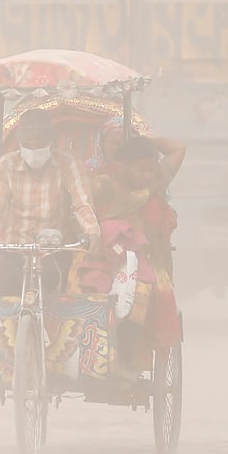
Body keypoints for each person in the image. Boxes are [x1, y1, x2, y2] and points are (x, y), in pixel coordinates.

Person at [82, 136, 184, 365]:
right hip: (103, 255)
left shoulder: (154, 185)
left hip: (143, 260)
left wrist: (141, 137)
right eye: (141, 169)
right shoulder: (102, 185)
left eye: (151, 169)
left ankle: (128, 357)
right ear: (124, 165)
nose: (147, 175)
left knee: (141, 296)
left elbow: (178, 147)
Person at [0, 109, 101, 296]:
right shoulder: (5, 166)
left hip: (52, 250)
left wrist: (92, 231)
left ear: (51, 141)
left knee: (55, 290)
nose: (34, 149)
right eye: (29, 144)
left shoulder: (68, 164)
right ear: (20, 143)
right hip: (12, 249)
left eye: (40, 143)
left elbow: (82, 204)